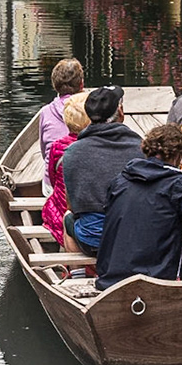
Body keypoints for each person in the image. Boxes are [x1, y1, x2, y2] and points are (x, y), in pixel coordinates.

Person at [94, 125, 182, 290]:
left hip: (110, 278)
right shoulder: (177, 182)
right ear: (177, 156)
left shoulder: (121, 180)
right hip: (158, 279)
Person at [57, 86, 138, 254]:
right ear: (120, 112)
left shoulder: (72, 153)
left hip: (94, 241)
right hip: (136, 238)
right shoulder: (141, 147)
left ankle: (77, 275)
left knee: (67, 218)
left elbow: (72, 206)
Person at [41, 96, 90, 246]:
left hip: (63, 205)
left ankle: (75, 268)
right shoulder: (95, 145)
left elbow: (53, 178)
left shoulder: (57, 147)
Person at [38, 58, 85, 152]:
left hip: (54, 164)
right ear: (81, 85)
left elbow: (43, 151)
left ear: (55, 86)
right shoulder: (88, 109)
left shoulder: (45, 112)